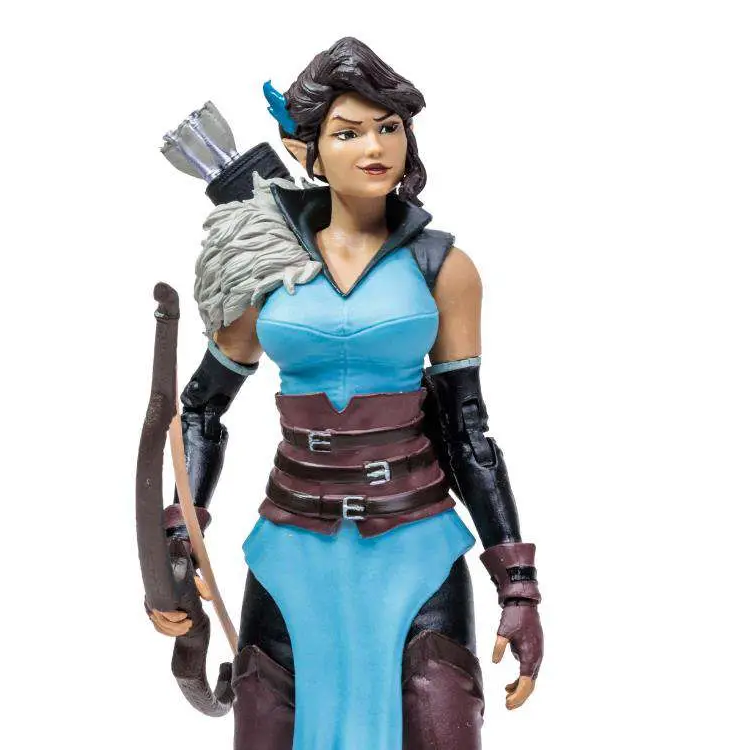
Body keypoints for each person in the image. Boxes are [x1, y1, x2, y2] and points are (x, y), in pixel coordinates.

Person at [147, 36, 544, 750]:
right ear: (305, 150)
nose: (374, 147)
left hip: (416, 548)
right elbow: (201, 409)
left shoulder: (443, 267)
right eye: (347, 132)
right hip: (290, 553)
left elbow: (468, 430)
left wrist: (516, 582)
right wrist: (180, 533)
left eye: (388, 127)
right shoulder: (267, 267)